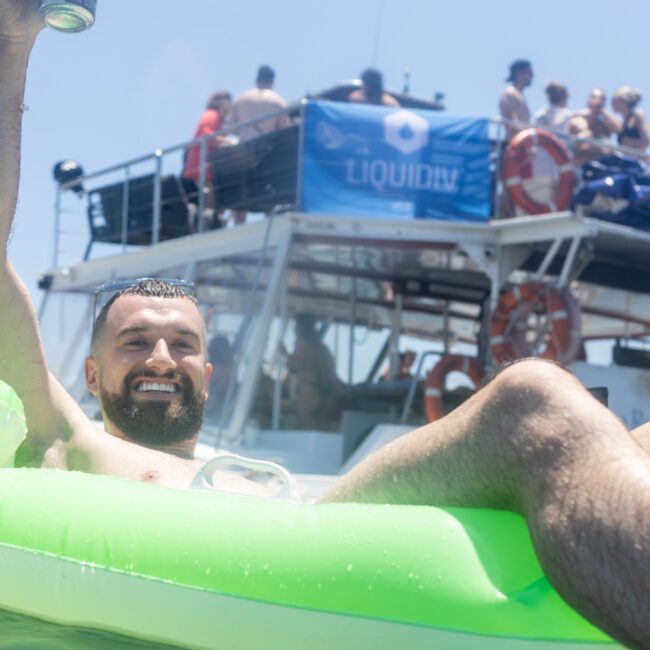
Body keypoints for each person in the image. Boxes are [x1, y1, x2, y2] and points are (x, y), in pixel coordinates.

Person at [1, 5, 650, 646]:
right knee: (529, 402)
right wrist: (13, 43)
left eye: (185, 344)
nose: (163, 358)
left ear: (210, 371)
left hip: (325, 519)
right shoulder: (66, 437)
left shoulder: (243, 463)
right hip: (292, 566)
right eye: (135, 342)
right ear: (90, 372)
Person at [224, 65, 291, 224]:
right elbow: (285, 131)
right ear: (272, 81)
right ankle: (269, 223)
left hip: (243, 153)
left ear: (256, 79)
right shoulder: (277, 101)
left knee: (241, 193)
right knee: (268, 193)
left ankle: (238, 226)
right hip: (266, 156)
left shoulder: (242, 99)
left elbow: (230, 127)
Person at [181, 90, 232, 226]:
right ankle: (210, 219)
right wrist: (228, 141)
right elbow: (206, 134)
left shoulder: (214, 118)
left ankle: (212, 218)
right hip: (201, 163)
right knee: (207, 190)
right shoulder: (211, 115)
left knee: (208, 190)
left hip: (205, 163)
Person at [286, 314, 344, 430]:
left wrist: (284, 354)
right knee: (320, 429)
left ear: (301, 327)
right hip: (325, 397)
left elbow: (295, 366)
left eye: (296, 326)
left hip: (308, 393)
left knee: (305, 431)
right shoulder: (322, 348)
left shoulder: (303, 343)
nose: (294, 330)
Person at [499, 59, 533, 141]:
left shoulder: (519, 95)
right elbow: (513, 122)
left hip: (522, 144)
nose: (531, 76)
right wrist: (533, 132)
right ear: (519, 73)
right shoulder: (510, 93)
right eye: (529, 72)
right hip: (514, 145)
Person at [612, 86, 650, 152]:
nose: (612, 102)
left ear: (625, 101)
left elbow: (646, 141)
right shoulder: (623, 122)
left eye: (616, 100)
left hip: (637, 160)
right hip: (624, 159)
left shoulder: (638, 115)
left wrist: (629, 142)